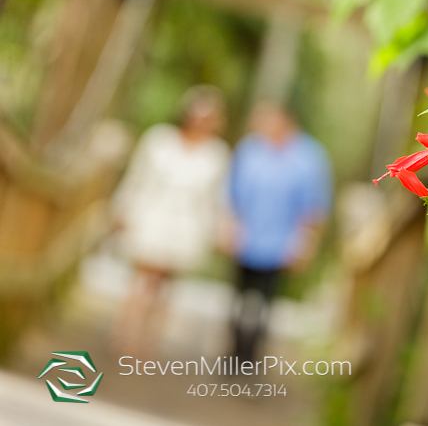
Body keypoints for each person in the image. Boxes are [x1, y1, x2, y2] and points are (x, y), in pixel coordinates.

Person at [111, 85, 230, 356]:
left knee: (165, 287)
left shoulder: (217, 154)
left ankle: (148, 342)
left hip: (186, 226)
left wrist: (219, 229)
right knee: (141, 279)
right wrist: (122, 210)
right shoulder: (159, 140)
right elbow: (136, 178)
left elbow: (217, 198)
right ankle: (124, 335)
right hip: (151, 215)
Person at [225, 101, 332, 362]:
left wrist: (304, 245)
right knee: (237, 302)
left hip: (280, 245)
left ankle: (251, 359)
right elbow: (232, 194)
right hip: (246, 239)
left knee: (264, 306)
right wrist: (228, 227)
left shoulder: (309, 157)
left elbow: (314, 207)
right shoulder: (250, 149)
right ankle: (232, 355)